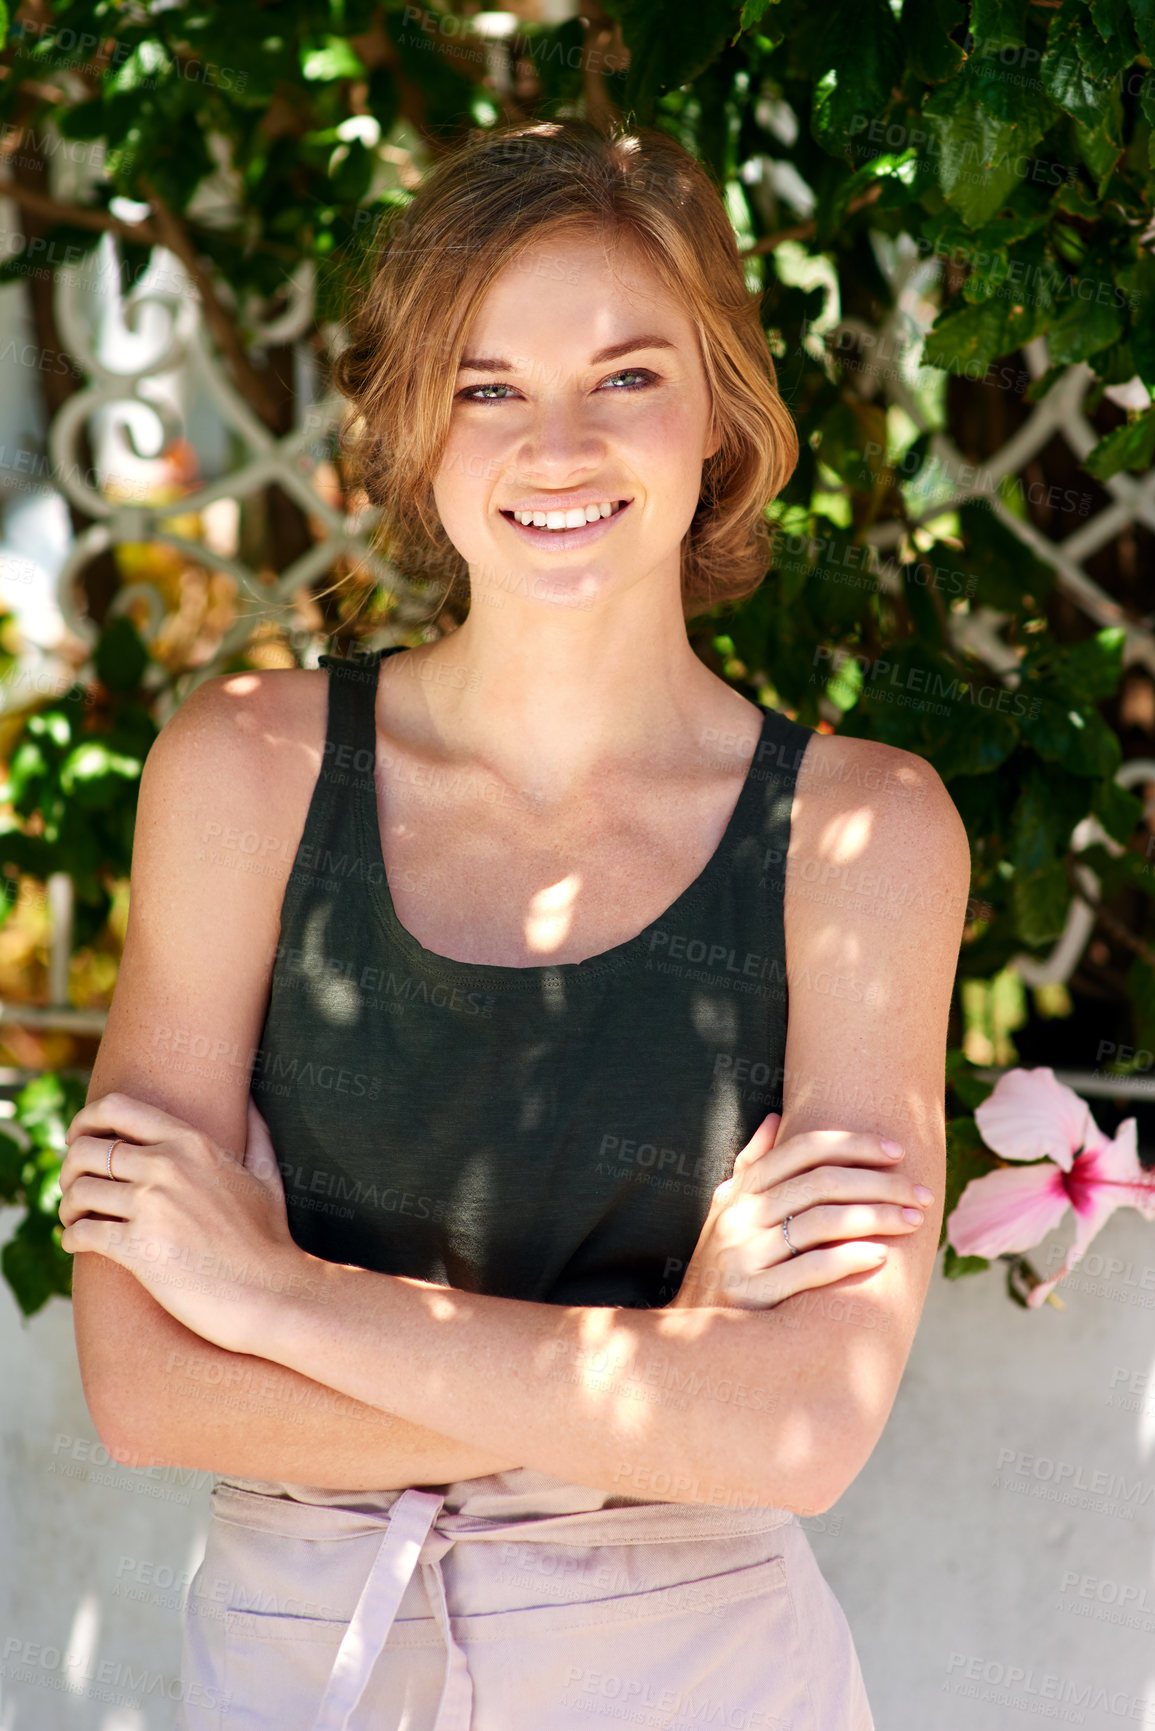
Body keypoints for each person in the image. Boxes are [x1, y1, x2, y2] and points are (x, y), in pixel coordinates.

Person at [58, 117, 971, 1729]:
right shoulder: (245, 776)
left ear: (724, 421)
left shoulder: (861, 837)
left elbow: (799, 1434)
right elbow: (141, 1388)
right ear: (414, 431)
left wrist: (273, 1302)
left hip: (694, 1674)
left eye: (628, 376)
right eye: (487, 386)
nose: (557, 445)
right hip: (300, 1663)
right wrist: (659, 1361)